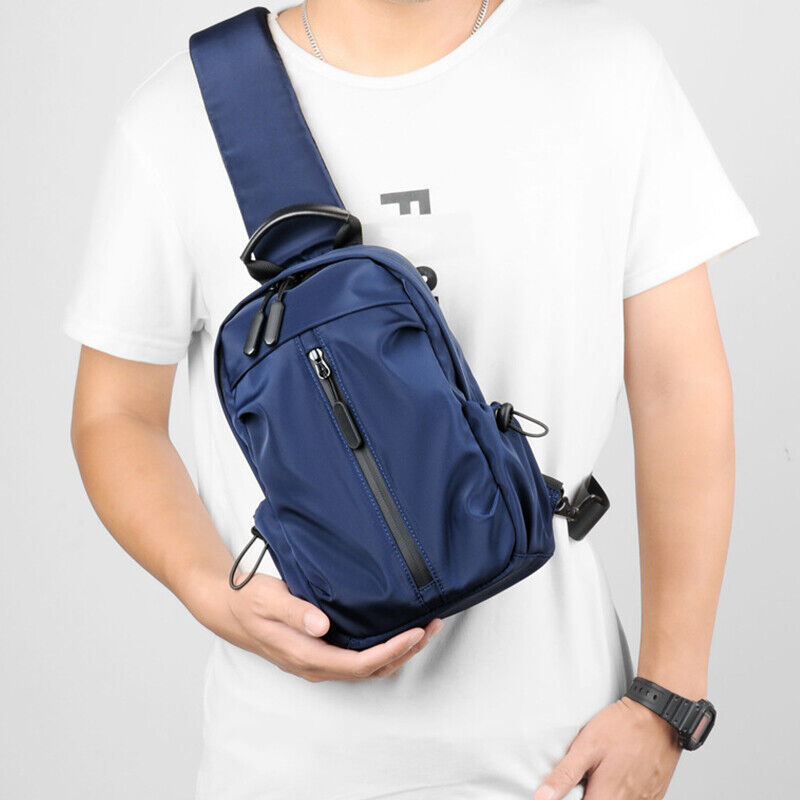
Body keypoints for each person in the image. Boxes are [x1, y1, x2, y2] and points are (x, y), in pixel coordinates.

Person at [67, 1, 757, 798]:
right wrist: (209, 590)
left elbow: (679, 388)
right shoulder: (183, 114)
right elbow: (114, 415)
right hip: (287, 765)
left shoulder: (607, 71)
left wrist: (667, 699)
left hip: (562, 756)